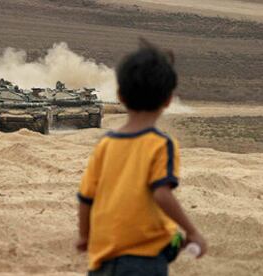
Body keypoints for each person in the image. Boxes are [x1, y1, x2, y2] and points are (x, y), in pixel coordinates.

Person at [76, 40, 207, 276]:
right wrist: (192, 231)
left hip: (102, 259)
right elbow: (161, 193)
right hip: (144, 260)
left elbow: (86, 198)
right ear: (168, 100)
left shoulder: (104, 144)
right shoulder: (161, 145)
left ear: (120, 97)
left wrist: (85, 236)